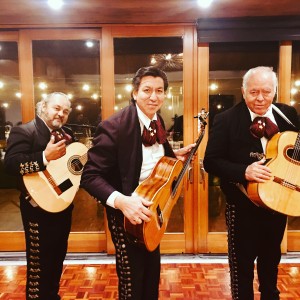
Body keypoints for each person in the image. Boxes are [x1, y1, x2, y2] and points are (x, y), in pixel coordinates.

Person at [80, 66, 194, 300]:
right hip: (126, 213)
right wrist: (122, 202)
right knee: (132, 283)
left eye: (160, 91)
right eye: (147, 90)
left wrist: (175, 156)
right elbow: (90, 176)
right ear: (134, 93)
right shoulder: (114, 126)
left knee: (151, 276)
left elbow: (154, 158)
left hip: (153, 210)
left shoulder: (157, 120)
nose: (154, 97)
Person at [203, 66, 299, 300]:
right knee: (241, 269)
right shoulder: (226, 119)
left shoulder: (288, 114)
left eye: (266, 92)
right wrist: (243, 171)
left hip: (278, 204)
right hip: (242, 206)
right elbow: (211, 161)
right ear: (244, 91)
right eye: (254, 92)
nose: (260, 98)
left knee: (270, 264)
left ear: (275, 91)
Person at [4, 92, 74, 300]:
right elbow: (10, 164)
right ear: (43, 107)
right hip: (36, 209)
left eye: (65, 111)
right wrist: (44, 157)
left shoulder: (67, 134)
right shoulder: (23, 131)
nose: (60, 114)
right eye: (56, 108)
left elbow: (68, 170)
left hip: (62, 206)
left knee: (56, 260)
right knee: (38, 266)